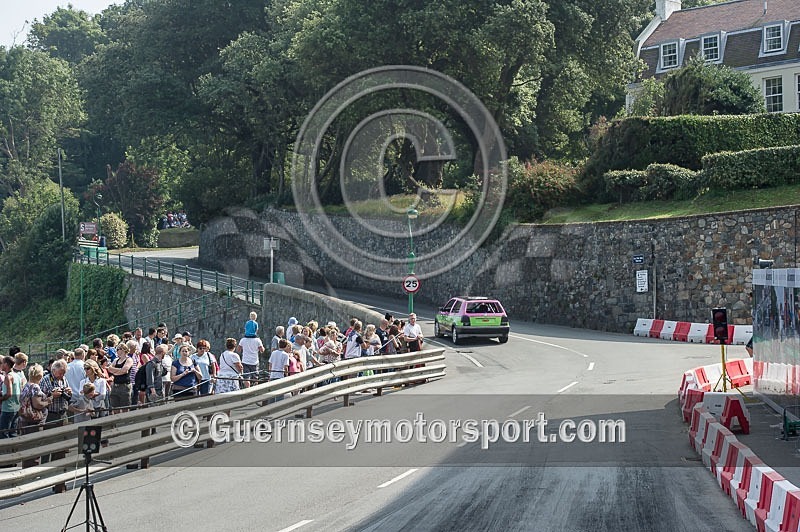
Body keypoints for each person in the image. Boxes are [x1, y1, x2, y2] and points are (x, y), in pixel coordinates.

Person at [17, 364, 49, 435]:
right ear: (40, 376)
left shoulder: (26, 385)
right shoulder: (35, 387)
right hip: (34, 421)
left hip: (25, 419)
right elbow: (37, 404)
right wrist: (47, 402)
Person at [40, 359, 71, 428]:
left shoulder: (64, 379)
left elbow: (68, 395)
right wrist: (52, 395)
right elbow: (40, 399)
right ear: (53, 370)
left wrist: (69, 392)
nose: (62, 375)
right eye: (60, 373)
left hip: (63, 414)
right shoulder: (45, 380)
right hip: (51, 415)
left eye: (64, 373)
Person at [107, 342, 133, 413]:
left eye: (118, 349)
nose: (116, 351)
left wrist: (116, 371)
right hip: (115, 385)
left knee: (125, 407)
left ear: (123, 350)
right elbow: (109, 369)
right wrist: (119, 370)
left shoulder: (129, 359)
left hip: (124, 386)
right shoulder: (116, 360)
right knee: (115, 407)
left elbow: (125, 370)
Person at [0, 356, 22, 437]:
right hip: (16, 408)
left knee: (3, 433)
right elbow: (19, 391)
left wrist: (1, 399)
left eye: (2, 363)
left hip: (8, 409)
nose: (1, 365)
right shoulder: (17, 376)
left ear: (6, 364)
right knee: (13, 433)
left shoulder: (8, 377)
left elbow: (9, 394)